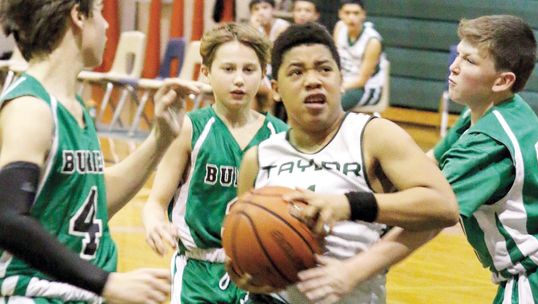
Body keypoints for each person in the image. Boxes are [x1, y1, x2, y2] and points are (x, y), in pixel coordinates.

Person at [231, 22, 458, 304]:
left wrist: (348, 205)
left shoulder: (373, 135)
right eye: (297, 72)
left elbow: (444, 206)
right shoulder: (259, 157)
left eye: (324, 69)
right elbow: (250, 240)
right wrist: (249, 266)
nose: (313, 80)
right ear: (276, 88)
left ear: (340, 78)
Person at [0, 0, 200, 303]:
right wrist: (106, 282)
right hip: (35, 294)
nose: (107, 26)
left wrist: (161, 138)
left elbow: (92, 204)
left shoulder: (74, 106)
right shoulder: (31, 108)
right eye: (102, 13)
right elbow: (7, 217)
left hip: (76, 294)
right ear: (78, 16)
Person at [142, 23, 288, 304]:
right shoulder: (190, 129)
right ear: (206, 72)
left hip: (260, 272)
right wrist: (154, 224)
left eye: (249, 70)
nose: (239, 80)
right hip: (199, 272)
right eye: (228, 68)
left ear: (263, 74)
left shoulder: (279, 135)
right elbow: (155, 202)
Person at [427, 15, 538, 303]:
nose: (453, 66)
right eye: (458, 54)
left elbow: (429, 209)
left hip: (531, 276)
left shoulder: (488, 142)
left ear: (502, 80)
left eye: (469, 60)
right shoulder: (506, 110)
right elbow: (428, 162)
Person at [334, 0, 386, 112]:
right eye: (347, 13)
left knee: (332, 108)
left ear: (363, 15)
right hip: (343, 82)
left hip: (366, 88)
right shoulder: (339, 28)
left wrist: (337, 88)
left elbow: (361, 81)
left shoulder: (372, 41)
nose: (351, 17)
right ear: (340, 14)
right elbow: (334, 60)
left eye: (356, 13)